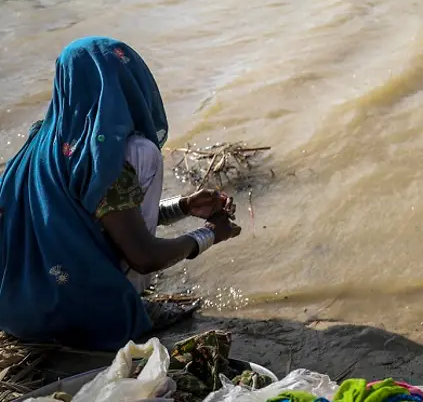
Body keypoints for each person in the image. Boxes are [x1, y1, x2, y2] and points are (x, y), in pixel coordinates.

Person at [0, 37, 242, 351]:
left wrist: (183, 206)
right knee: (143, 152)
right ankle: (123, 305)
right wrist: (209, 233)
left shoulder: (40, 144)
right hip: (71, 319)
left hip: (14, 311)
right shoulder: (108, 159)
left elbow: (95, 217)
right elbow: (144, 256)